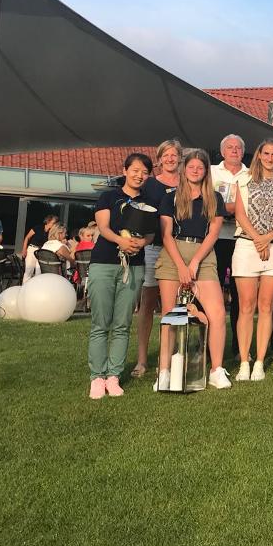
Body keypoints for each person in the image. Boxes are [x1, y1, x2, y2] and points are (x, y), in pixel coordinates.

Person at [155, 148, 230, 389]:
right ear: (184, 169)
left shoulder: (214, 198)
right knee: (170, 316)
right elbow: (166, 234)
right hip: (174, 254)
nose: (196, 171)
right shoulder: (170, 197)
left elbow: (214, 233)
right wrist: (181, 266)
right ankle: (164, 372)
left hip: (204, 255)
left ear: (206, 171)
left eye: (200, 167)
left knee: (217, 313)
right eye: (191, 167)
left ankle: (216, 370)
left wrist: (195, 261)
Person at [86, 153, 154, 399]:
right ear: (125, 171)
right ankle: (97, 376)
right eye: (135, 170)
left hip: (134, 266)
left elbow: (151, 234)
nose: (139, 175)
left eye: (144, 172)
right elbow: (103, 227)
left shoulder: (148, 202)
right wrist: (120, 241)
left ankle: (113, 375)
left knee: (122, 324)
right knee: (100, 323)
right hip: (104, 263)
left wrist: (141, 243)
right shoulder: (109, 197)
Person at [232, 139, 273, 381]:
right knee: (246, 306)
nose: (270, 158)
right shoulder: (243, 180)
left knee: (267, 306)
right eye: (266, 153)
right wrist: (258, 239)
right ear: (259, 155)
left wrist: (268, 238)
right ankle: (244, 362)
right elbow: (240, 213)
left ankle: (259, 362)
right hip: (247, 246)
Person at [132, 139, 181, 378]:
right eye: (166, 155)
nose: (170, 159)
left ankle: (172, 357)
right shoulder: (149, 184)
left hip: (180, 249)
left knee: (176, 305)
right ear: (159, 159)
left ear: (180, 158)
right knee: (148, 303)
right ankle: (142, 360)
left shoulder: (189, 182)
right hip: (154, 247)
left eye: (174, 155)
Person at [211, 134, 250, 358]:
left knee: (240, 296)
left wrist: (225, 207)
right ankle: (209, 348)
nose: (234, 151)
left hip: (242, 239)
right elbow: (207, 202)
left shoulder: (251, 174)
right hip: (215, 239)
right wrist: (234, 208)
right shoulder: (212, 173)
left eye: (238, 147)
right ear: (222, 152)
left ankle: (239, 348)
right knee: (212, 294)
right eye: (230, 147)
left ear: (243, 152)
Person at [22, 214, 58, 282]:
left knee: (39, 272)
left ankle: (36, 287)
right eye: (53, 223)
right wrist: (24, 249)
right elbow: (27, 237)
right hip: (32, 249)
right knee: (29, 270)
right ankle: (25, 286)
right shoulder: (38, 227)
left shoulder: (52, 233)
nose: (54, 225)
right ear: (48, 221)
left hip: (42, 252)